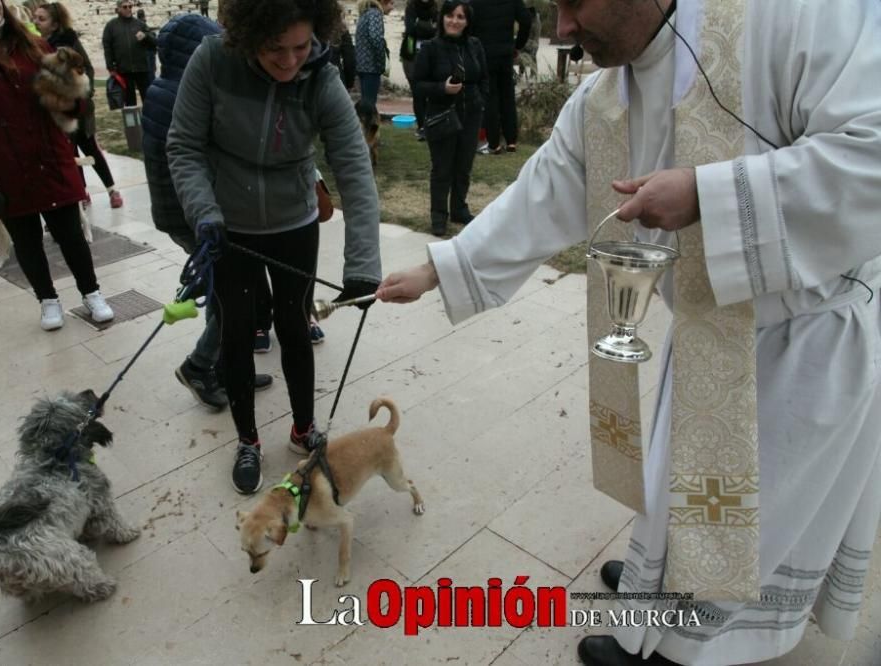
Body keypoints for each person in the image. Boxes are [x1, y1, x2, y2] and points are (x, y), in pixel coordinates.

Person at [376, 0, 881, 664]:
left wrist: (708, 194)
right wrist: (439, 269)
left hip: (799, 347)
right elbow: (544, 191)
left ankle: (685, 652)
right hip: (708, 338)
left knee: (739, 536)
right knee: (682, 498)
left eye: (573, 3)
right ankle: (659, 587)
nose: (560, 30)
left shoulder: (799, 15)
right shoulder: (606, 96)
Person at [167, 0, 381, 495]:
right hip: (229, 225)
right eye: (274, 50)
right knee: (237, 335)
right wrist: (204, 213)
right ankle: (247, 440)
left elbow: (354, 167)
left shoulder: (321, 78)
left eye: (302, 47)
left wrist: (363, 266)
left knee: (294, 326)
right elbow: (183, 145)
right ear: (247, 37)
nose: (289, 62)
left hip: (294, 220)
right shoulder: (211, 61)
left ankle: (304, 429)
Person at [0, 0, 114, 331]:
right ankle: (48, 300)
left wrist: (72, 90)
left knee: (71, 234)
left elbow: (64, 100)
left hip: (48, 157)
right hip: (2, 165)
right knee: (26, 239)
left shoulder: (30, 44)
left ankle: (92, 293)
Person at [141, 11, 273, 412]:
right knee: (236, 298)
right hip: (193, 216)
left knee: (227, 293)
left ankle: (229, 367)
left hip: (186, 213)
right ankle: (200, 366)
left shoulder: (165, 88)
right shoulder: (184, 94)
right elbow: (202, 159)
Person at [33, 2, 124, 209]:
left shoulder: (68, 41)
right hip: (59, 111)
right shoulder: (37, 46)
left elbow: (87, 68)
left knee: (90, 147)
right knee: (70, 153)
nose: (35, 22)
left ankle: (112, 190)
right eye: (35, 18)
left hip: (80, 107)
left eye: (41, 18)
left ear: (55, 24)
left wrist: (84, 95)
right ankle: (81, 193)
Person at [413, 0, 487, 237]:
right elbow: (418, 84)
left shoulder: (475, 46)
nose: (454, 21)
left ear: (467, 22)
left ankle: (459, 208)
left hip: (471, 113)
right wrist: (441, 89)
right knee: (442, 168)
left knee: (463, 166)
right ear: (442, 18)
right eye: (450, 15)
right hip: (442, 114)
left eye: (460, 17)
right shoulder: (431, 48)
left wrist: (481, 99)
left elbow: (484, 76)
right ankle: (438, 215)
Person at [470, 0, 529, 154]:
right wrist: (518, 45)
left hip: (485, 53)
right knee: (507, 96)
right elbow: (526, 20)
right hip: (505, 53)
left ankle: (494, 142)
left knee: (490, 97)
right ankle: (511, 141)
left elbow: (469, 25)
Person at [102, 0, 155, 106]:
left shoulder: (139, 24)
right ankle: (132, 123)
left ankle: (148, 121)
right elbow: (107, 47)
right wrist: (110, 67)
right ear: (118, 9)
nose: (128, 9)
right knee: (130, 103)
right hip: (124, 70)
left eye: (130, 6)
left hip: (141, 69)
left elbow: (154, 43)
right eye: (125, 7)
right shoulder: (111, 26)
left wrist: (146, 37)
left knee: (148, 100)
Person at [399, 0, 438, 140]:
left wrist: (419, 26)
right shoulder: (411, 8)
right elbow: (410, 30)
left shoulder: (436, 8)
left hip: (431, 56)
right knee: (418, 93)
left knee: (432, 91)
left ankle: (432, 124)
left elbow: (438, 31)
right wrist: (429, 27)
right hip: (411, 56)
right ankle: (421, 126)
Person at [353, 0, 393, 110]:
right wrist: (382, 63)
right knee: (369, 105)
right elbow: (376, 39)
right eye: (391, 3)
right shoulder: (375, 14)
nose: (392, 7)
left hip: (362, 65)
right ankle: (368, 126)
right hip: (371, 66)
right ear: (383, 2)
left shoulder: (365, 13)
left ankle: (363, 125)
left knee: (365, 103)